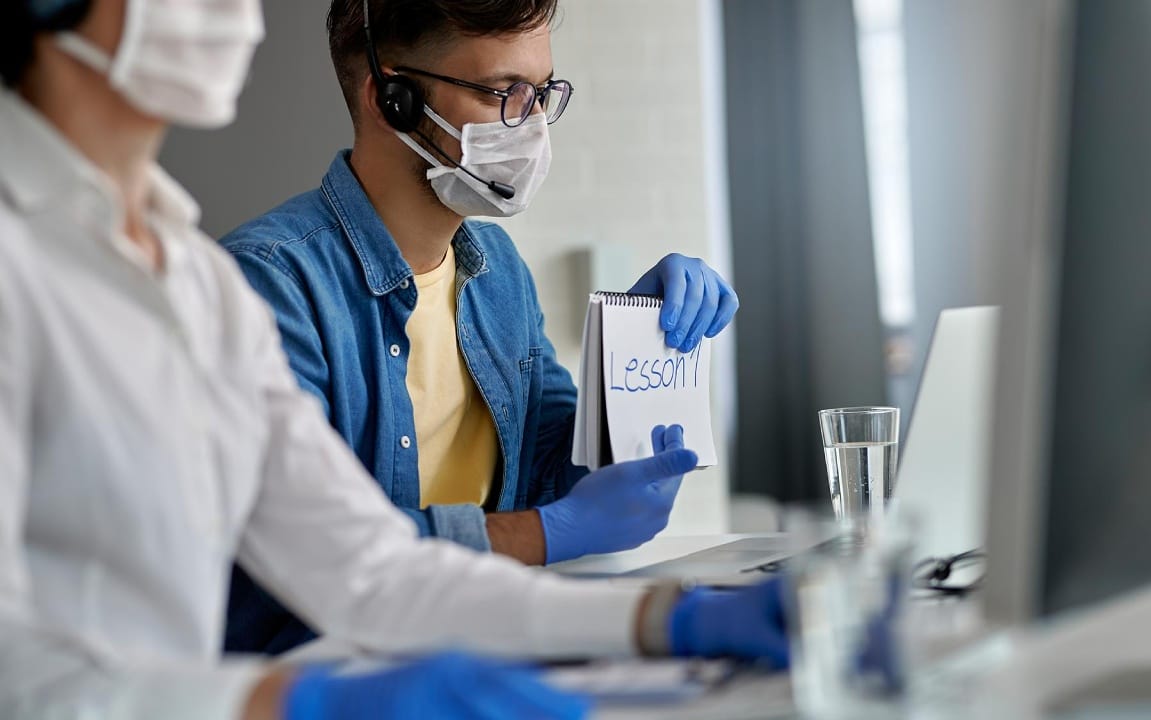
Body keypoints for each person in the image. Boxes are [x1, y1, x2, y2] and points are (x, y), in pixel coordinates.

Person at [0, 1, 784, 718]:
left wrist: (668, 617)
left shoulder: (190, 275)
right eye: (502, 92)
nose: (235, 14)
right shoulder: (225, 274)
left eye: (539, 94)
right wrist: (296, 703)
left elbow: (366, 565)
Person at [218, 0, 740, 654]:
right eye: (504, 92)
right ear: (393, 99)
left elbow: (559, 472)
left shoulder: (498, 274)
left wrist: (633, 354)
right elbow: (313, 561)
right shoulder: (265, 287)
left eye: (542, 92)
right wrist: (551, 534)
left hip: (488, 650)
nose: (533, 125)